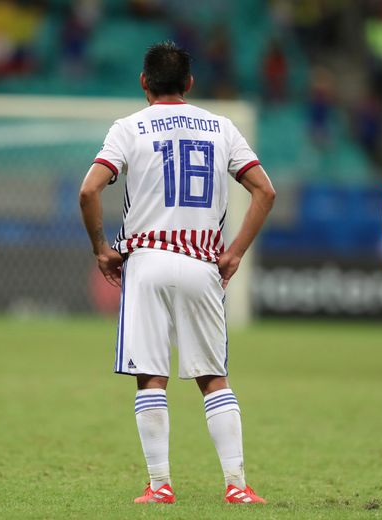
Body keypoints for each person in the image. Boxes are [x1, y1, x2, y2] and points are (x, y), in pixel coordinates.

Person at [78, 41, 275, 505]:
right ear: (189, 84)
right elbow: (264, 191)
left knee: (151, 376)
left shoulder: (129, 127)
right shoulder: (221, 127)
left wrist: (101, 250)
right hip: (202, 264)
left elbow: (89, 191)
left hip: (145, 263)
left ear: (144, 83)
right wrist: (236, 253)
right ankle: (237, 486)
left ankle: (160, 485)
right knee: (213, 378)